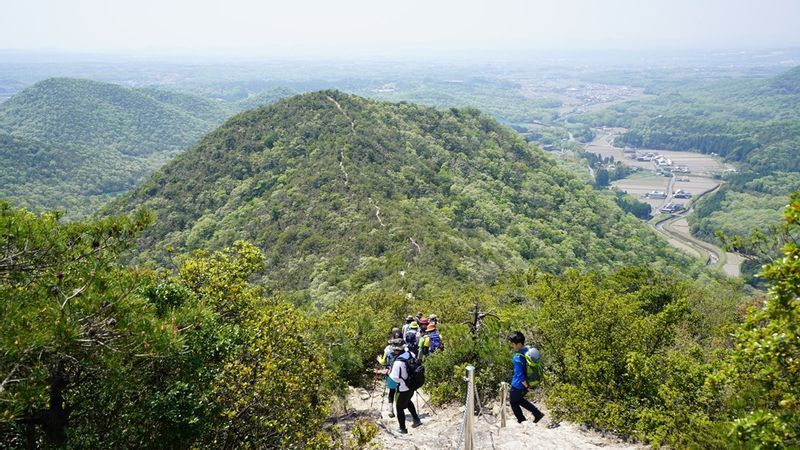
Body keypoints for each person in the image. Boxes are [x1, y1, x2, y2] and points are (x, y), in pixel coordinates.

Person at [507, 331, 544, 424]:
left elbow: (519, 374)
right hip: (529, 382)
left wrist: (525, 385)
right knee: (518, 399)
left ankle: (522, 420)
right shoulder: (529, 351)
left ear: (519, 344)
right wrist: (528, 386)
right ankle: (537, 413)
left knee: (513, 402)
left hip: (518, 385)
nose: (512, 346)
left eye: (513, 344)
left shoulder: (517, 357)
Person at [389, 340, 422, 434]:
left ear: (395, 350)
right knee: (408, 401)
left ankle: (402, 428)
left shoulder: (398, 362)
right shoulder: (410, 354)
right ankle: (416, 419)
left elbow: (394, 378)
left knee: (399, 408)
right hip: (412, 385)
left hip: (402, 388)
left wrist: (388, 374)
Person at [378, 337, 403, 418]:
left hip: (391, 374)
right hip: (401, 375)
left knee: (391, 393)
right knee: (399, 392)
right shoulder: (403, 351)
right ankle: (399, 409)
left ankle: (391, 410)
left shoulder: (388, 350)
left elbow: (383, 362)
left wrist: (379, 360)